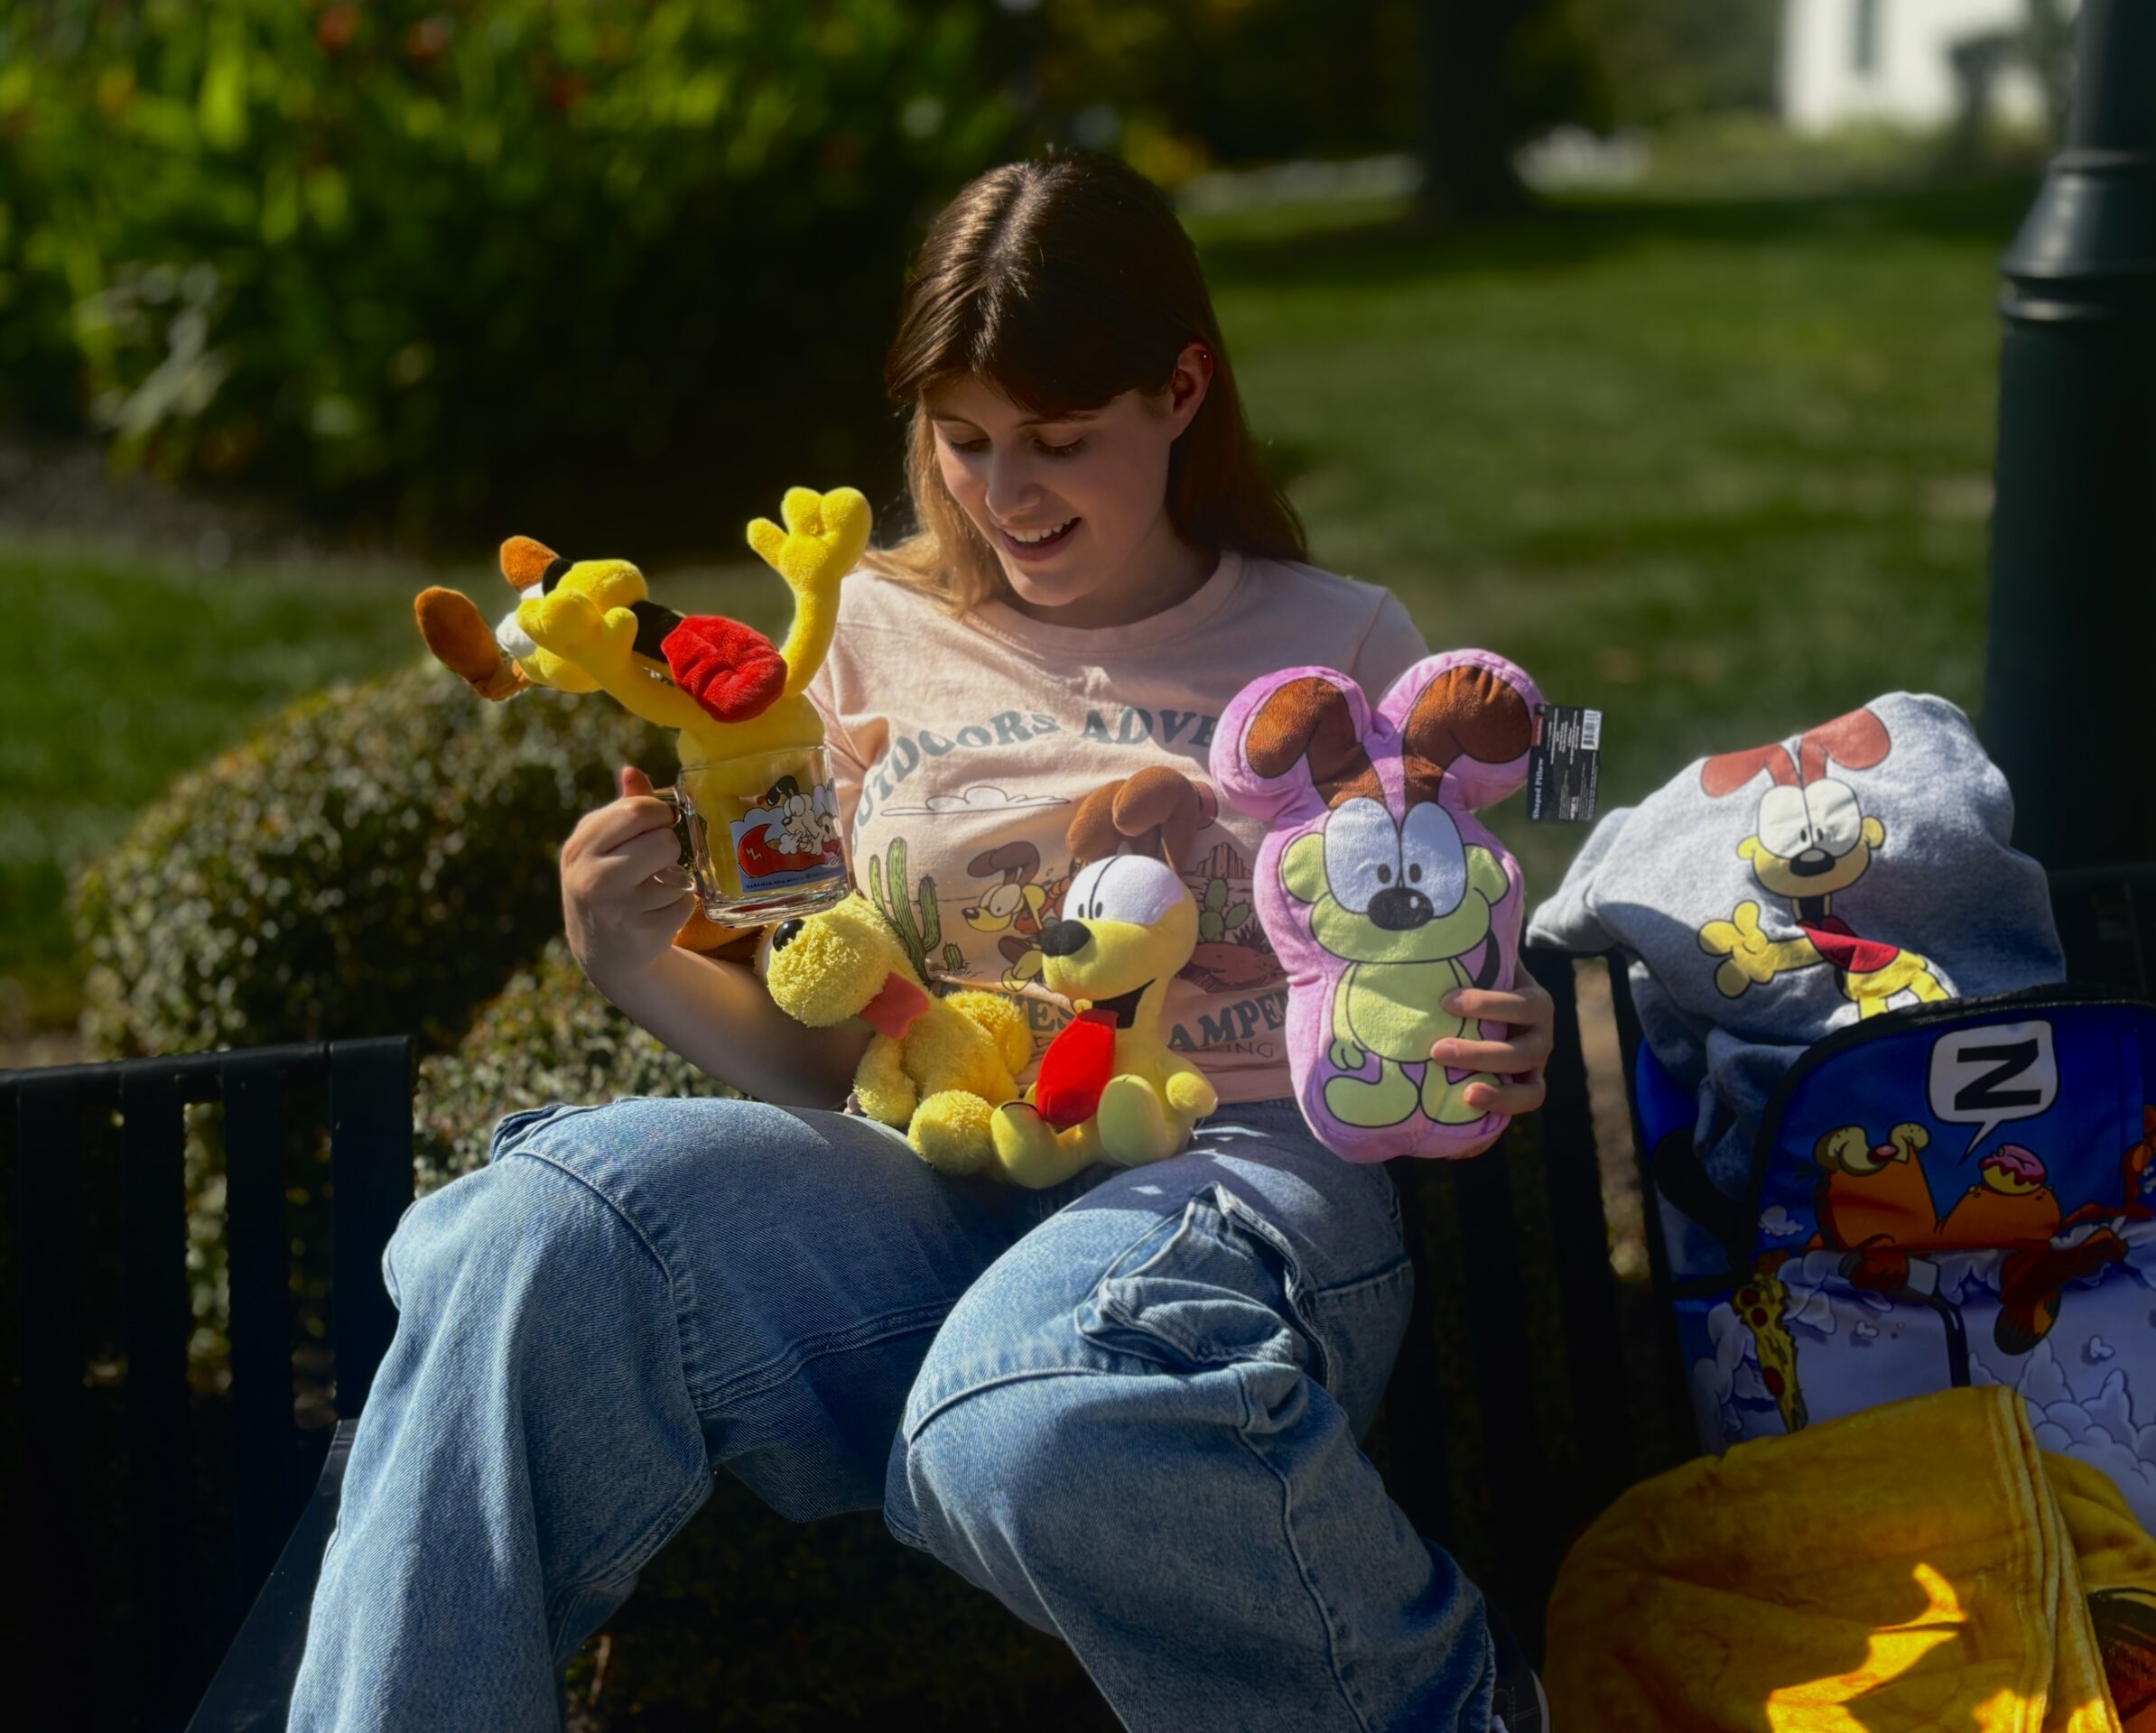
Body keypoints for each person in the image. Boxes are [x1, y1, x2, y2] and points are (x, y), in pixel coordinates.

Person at [290, 151, 1556, 1733]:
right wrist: (628, 959)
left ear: (1181, 390)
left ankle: (1460, 1703)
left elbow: (1434, 941)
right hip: (918, 1176)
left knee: (1030, 1413)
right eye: (962, 442)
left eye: (1059, 442)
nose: (1004, 496)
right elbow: (833, 1049)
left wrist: (1501, 1030)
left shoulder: (1338, 641)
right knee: (535, 1228)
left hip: (1226, 1187)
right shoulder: (860, 636)